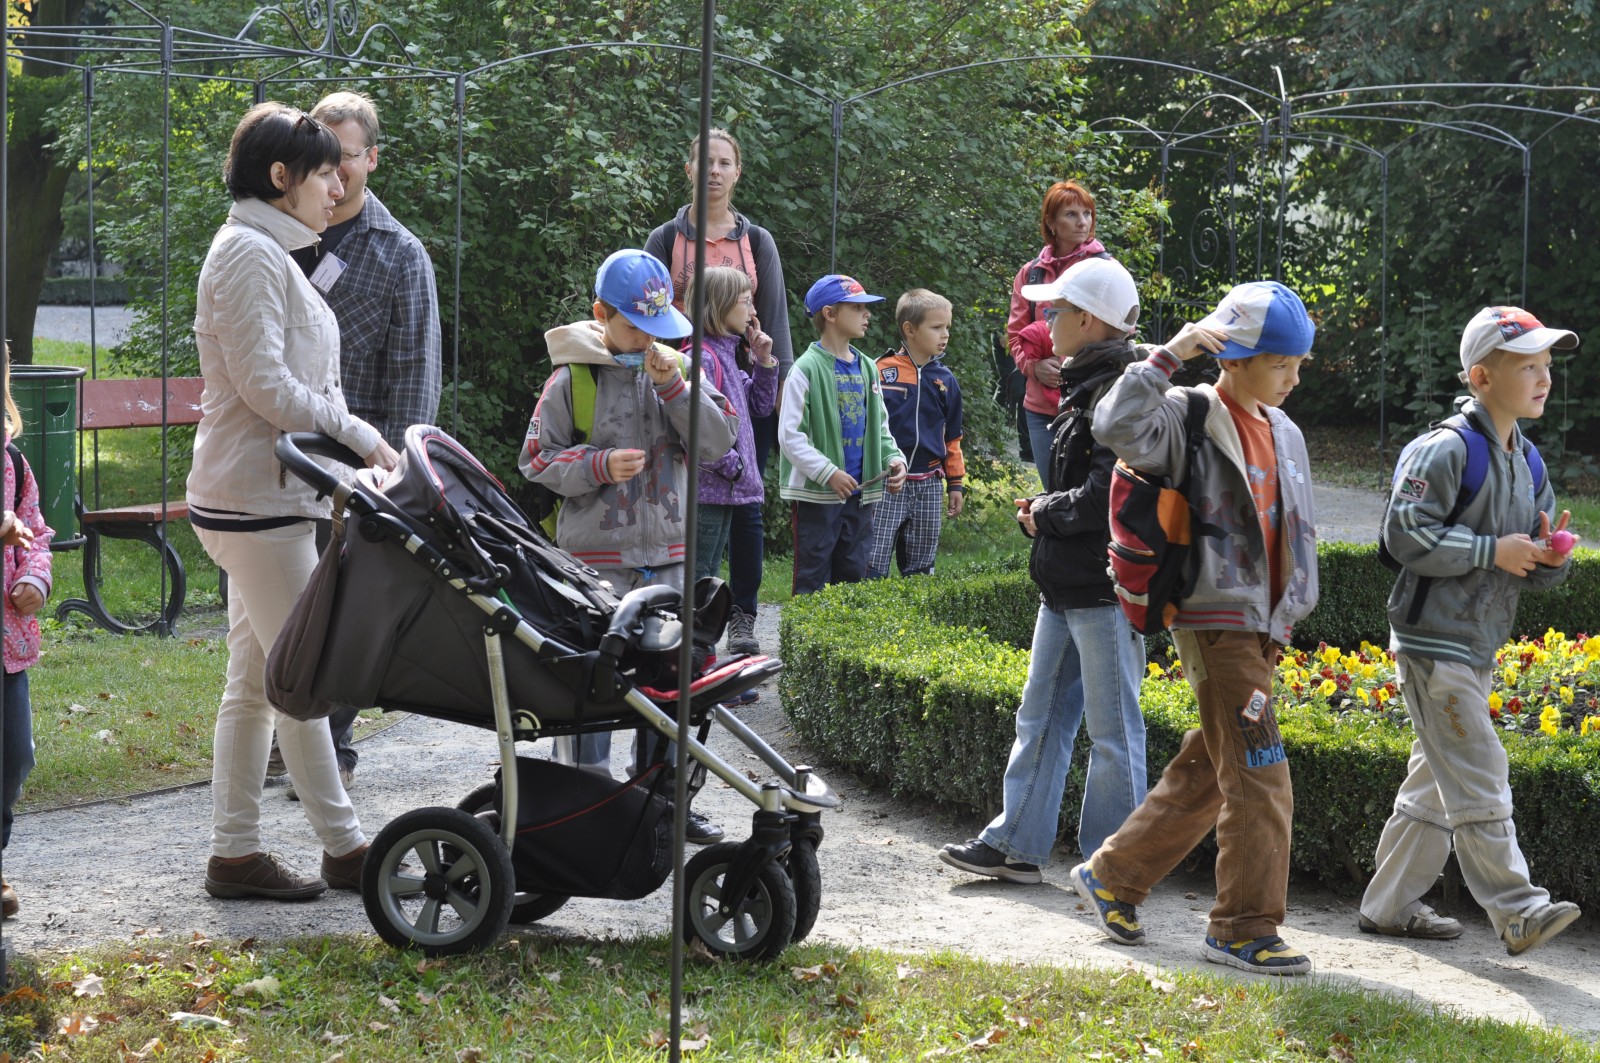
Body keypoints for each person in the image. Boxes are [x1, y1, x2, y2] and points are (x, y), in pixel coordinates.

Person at [1075, 280, 1320, 976]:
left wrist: (1289, 609)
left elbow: (1292, 530)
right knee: (1262, 774)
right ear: (1233, 358)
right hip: (1213, 618)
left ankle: (1114, 875)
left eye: (1299, 364)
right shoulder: (1187, 414)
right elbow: (1114, 426)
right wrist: (1166, 357)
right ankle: (1242, 927)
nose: (1293, 377)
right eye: (1280, 363)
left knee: (1215, 767)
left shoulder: (1286, 431)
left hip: (1262, 623)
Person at [188, 102, 398, 901]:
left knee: (255, 682)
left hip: (264, 496)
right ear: (280, 177)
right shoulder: (248, 253)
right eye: (324, 174)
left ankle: (235, 853)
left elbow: (291, 382)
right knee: (300, 681)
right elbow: (267, 388)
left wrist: (352, 447)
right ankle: (346, 848)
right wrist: (361, 436)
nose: (339, 186)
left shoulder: (266, 248)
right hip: (256, 501)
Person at [1359, 306, 1583, 955]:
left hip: (1476, 641)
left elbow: (1528, 562)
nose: (1545, 378)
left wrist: (1550, 559)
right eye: (1528, 366)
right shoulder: (1446, 448)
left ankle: (1387, 904)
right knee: (1480, 766)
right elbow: (1403, 534)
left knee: (1435, 781)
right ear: (1482, 377)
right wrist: (1492, 550)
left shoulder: (1528, 462)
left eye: (1547, 365)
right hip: (1432, 642)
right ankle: (1518, 909)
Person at [519, 249, 737, 844]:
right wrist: (596, 465)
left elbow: (719, 444)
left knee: (670, 685)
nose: (647, 341)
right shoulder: (572, 379)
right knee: (591, 684)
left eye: (656, 328)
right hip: (596, 568)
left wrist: (674, 390)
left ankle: (663, 802)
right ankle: (585, 804)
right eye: (635, 327)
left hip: (669, 560)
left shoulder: (680, 372)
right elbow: (536, 459)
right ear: (601, 315)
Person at [939, 258, 1146, 884]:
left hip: (1103, 586)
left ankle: (1115, 868)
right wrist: (1048, 509)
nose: (1044, 320)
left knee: (1113, 734)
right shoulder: (1088, 382)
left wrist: (1045, 512)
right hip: (1067, 580)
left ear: (1089, 321)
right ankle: (1017, 844)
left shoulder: (1119, 393)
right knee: (1041, 717)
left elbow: (1111, 491)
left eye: (1055, 310)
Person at [268, 90, 442, 796]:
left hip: (353, 469)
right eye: (323, 155)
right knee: (281, 607)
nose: (334, 171)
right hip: (274, 457)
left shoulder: (400, 255)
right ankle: (283, 735)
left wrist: (396, 480)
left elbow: (415, 380)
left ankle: (329, 745)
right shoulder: (274, 236)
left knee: (340, 608)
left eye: (345, 156)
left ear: (372, 159)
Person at [645, 128, 792, 658]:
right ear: (689, 170)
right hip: (684, 384)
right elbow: (646, 309)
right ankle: (689, 626)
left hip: (746, 382)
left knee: (748, 511)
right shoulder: (667, 237)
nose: (713, 170)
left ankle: (742, 619)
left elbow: (773, 312)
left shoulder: (757, 241)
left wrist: (775, 375)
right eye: (704, 161)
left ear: (737, 171)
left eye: (724, 162)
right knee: (697, 515)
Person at [778, 275, 907, 595]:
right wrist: (829, 473)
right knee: (812, 581)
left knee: (853, 580)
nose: (867, 314)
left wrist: (894, 459)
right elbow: (790, 437)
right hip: (817, 497)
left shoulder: (868, 367)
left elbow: (880, 426)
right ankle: (807, 631)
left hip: (860, 496)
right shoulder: (804, 369)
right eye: (858, 308)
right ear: (830, 314)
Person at [681, 267, 778, 662]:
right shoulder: (701, 357)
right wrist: (731, 464)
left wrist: (764, 362)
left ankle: (704, 649)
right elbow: (692, 426)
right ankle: (691, 654)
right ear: (719, 306)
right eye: (745, 302)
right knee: (701, 575)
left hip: (731, 489)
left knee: (715, 572)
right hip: (711, 490)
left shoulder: (725, 355)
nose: (753, 311)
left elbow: (759, 407)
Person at [1006, 180, 1112, 488]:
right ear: (1051, 223)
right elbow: (1015, 336)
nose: (1082, 222)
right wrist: (1033, 367)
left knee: (1089, 496)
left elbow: (1122, 332)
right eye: (1071, 214)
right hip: (1042, 409)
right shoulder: (1031, 274)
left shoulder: (1104, 269)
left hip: (1090, 404)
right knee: (1054, 495)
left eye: (1087, 214)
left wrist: (1078, 363)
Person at [1, 342, 53, 919]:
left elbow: (35, 530)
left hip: (7, 644)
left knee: (14, 756)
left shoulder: (12, 462)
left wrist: (35, 578)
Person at [867, 289, 966, 579]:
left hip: (930, 483)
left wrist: (956, 483)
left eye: (947, 327)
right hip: (887, 480)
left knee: (921, 567)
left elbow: (953, 437)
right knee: (873, 560)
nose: (945, 334)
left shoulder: (946, 380)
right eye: (936, 327)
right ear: (909, 329)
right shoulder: (879, 370)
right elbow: (867, 428)